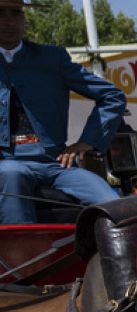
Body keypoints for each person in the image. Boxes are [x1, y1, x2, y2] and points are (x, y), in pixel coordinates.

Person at [0, 0, 125, 224]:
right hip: (7, 162)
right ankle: (23, 256)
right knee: (11, 174)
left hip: (56, 162)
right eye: (1, 13)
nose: (9, 21)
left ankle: (114, 259)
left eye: (16, 13)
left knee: (113, 204)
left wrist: (87, 141)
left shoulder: (52, 58)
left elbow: (113, 96)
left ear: (24, 18)